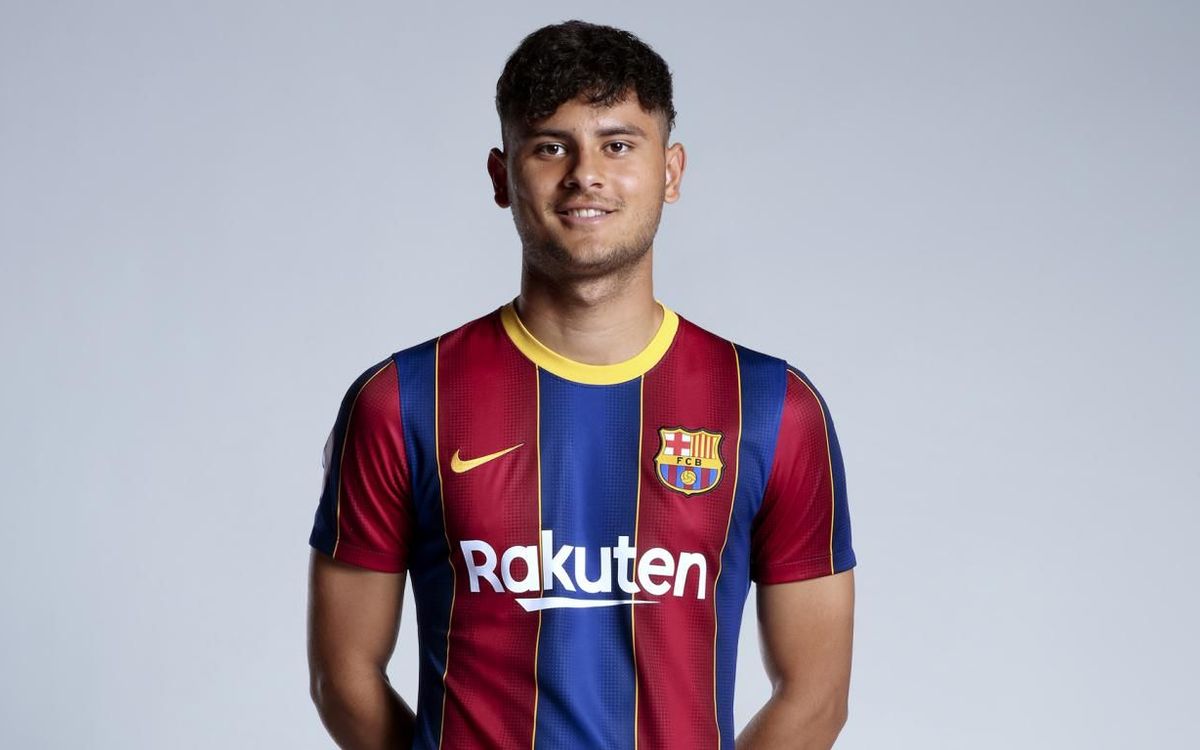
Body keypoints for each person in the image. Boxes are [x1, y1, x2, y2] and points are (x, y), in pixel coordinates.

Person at [306, 19, 856, 750]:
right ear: (501, 177)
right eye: (549, 146)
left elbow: (817, 696)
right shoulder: (404, 400)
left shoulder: (772, 407)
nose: (584, 174)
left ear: (671, 171)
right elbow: (342, 676)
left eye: (618, 145)